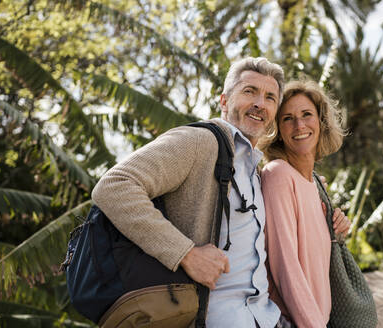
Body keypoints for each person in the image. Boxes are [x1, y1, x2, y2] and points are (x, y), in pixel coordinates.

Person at [91, 57, 286, 327]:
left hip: (265, 317)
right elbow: (115, 185)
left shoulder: (255, 168)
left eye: (270, 97)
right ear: (224, 101)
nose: (259, 104)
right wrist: (186, 254)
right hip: (212, 318)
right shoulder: (199, 141)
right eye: (249, 91)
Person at [259, 80, 351, 328]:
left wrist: (339, 230)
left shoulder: (315, 184)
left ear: (321, 122)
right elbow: (285, 268)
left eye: (306, 114)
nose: (299, 125)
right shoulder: (277, 175)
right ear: (278, 128)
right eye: (288, 118)